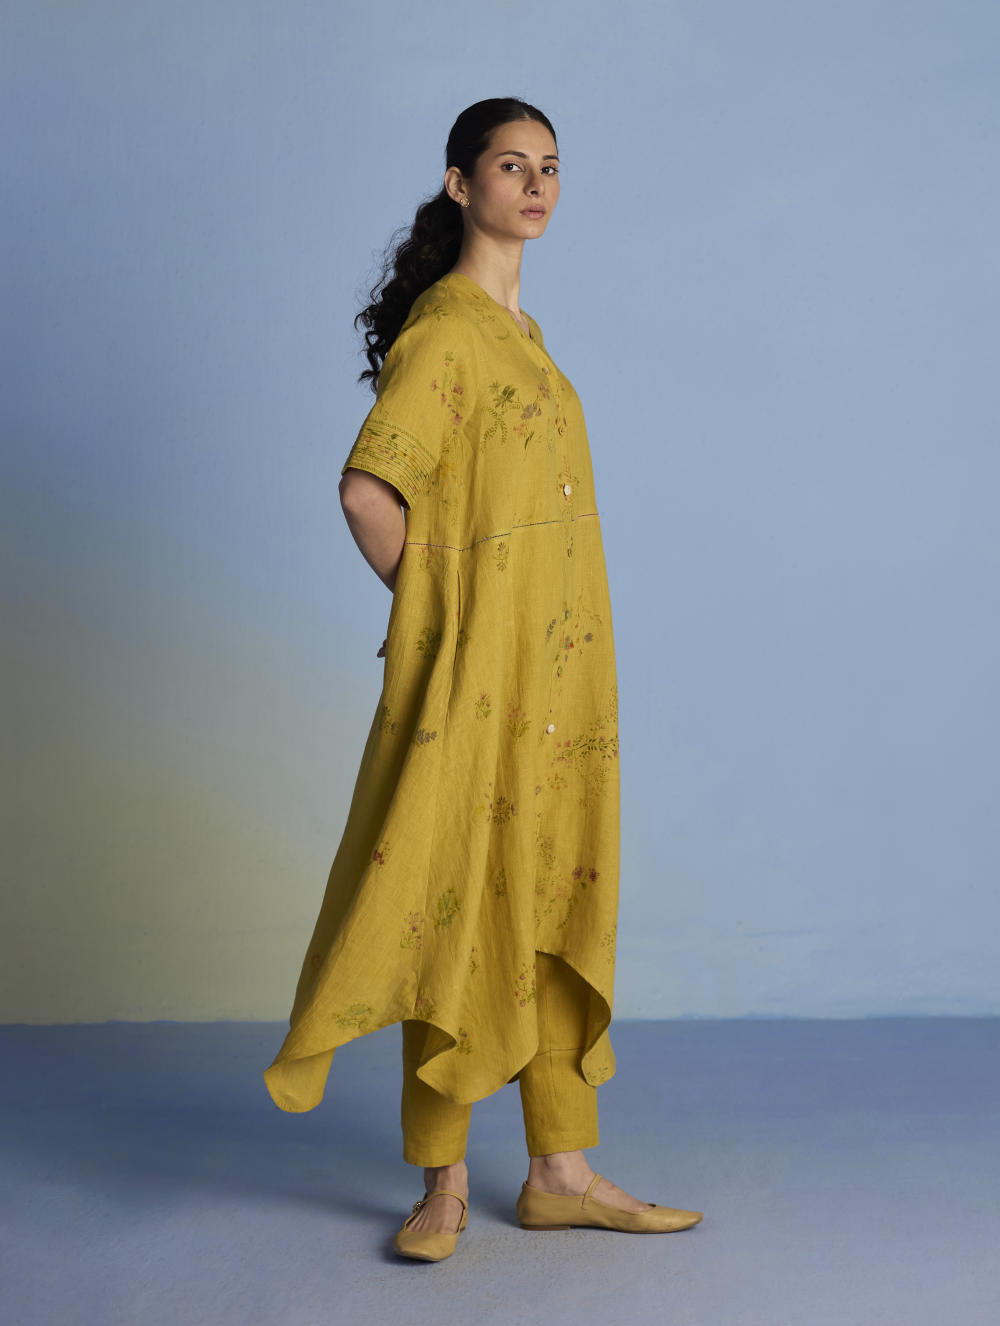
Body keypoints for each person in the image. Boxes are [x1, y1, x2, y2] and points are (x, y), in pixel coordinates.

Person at [263, 97, 704, 1261]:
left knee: (552, 893)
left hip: (563, 685)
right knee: (450, 904)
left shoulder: (525, 335)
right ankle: (443, 1184)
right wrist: (441, 615)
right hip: (480, 682)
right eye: (512, 165)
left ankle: (561, 1172)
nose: (537, 184)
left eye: (550, 166)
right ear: (461, 184)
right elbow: (369, 489)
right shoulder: (447, 333)